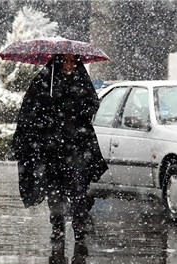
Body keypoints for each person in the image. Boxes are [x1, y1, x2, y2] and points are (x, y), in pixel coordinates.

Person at [12, 54, 108, 248]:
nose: (69, 65)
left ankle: (79, 230)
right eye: (65, 61)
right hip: (51, 149)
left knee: (78, 191)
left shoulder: (81, 80)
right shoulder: (44, 81)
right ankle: (58, 228)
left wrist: (73, 108)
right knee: (55, 192)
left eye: (73, 61)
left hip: (76, 148)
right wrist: (49, 112)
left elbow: (92, 104)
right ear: (57, 62)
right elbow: (30, 109)